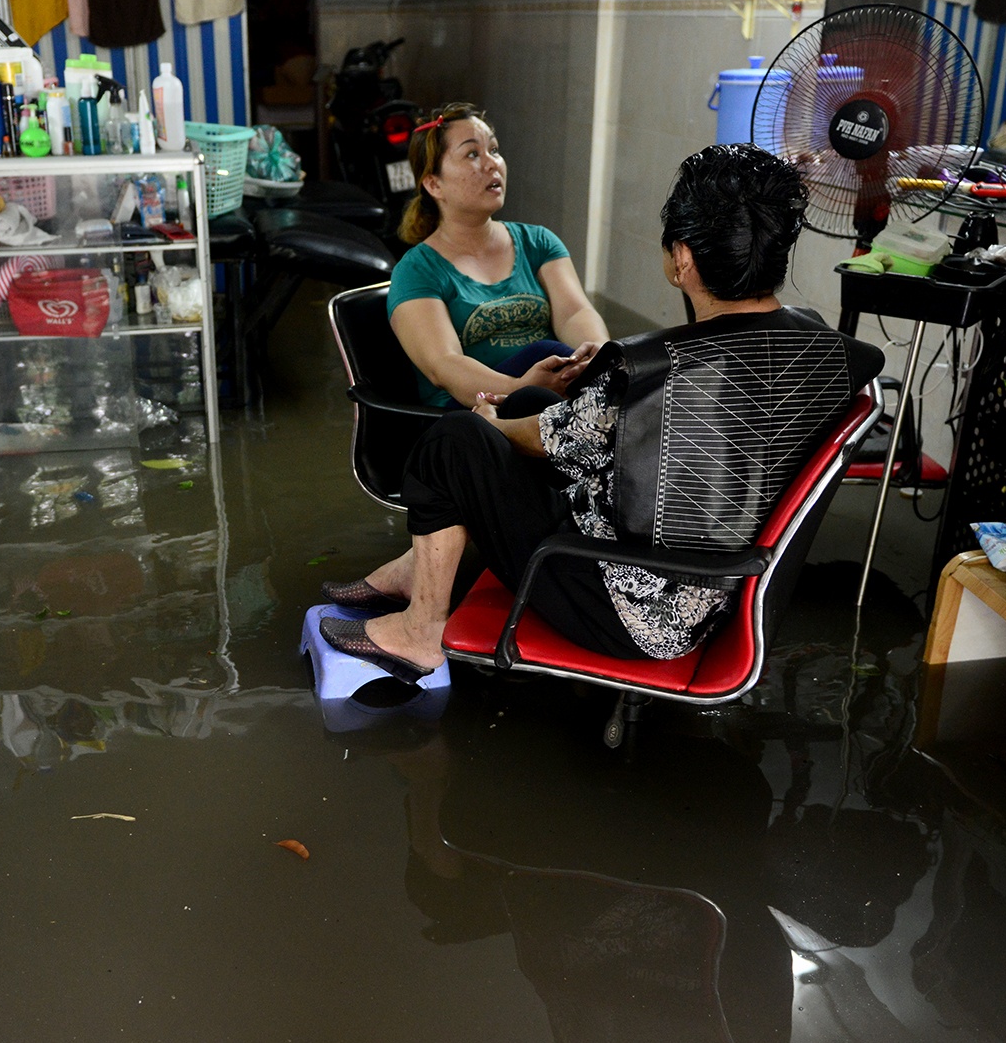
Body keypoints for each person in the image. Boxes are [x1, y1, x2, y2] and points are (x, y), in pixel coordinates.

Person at [319, 144, 886, 680]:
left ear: (682, 259)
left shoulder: (657, 371)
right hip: (717, 581)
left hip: (633, 608)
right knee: (531, 401)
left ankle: (420, 633)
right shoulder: (824, 348)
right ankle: (417, 572)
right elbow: (574, 430)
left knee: (454, 441)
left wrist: (489, 425)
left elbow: (549, 441)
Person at [386, 102, 611, 410]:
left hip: (552, 401)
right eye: (472, 154)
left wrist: (596, 357)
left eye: (493, 149)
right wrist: (519, 389)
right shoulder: (417, 270)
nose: (492, 163)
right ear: (434, 184)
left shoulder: (538, 242)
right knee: (544, 353)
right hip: (471, 414)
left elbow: (574, 313)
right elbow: (444, 364)